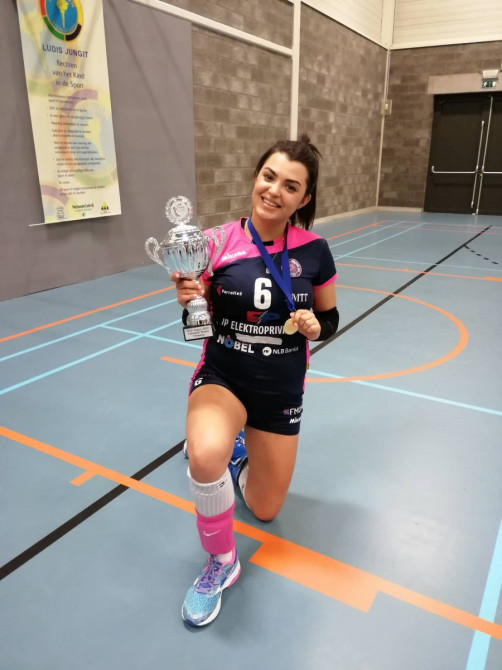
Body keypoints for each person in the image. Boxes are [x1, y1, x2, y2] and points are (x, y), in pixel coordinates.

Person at [171, 134, 339, 627]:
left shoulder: (315, 251)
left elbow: (329, 318)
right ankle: (222, 562)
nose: (274, 191)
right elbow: (195, 324)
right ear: (255, 177)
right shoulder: (214, 243)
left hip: (279, 390)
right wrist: (189, 301)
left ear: (304, 199)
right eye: (269, 177)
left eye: (290, 186)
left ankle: (239, 451)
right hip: (223, 376)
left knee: (265, 509)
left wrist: (316, 327)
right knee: (205, 455)